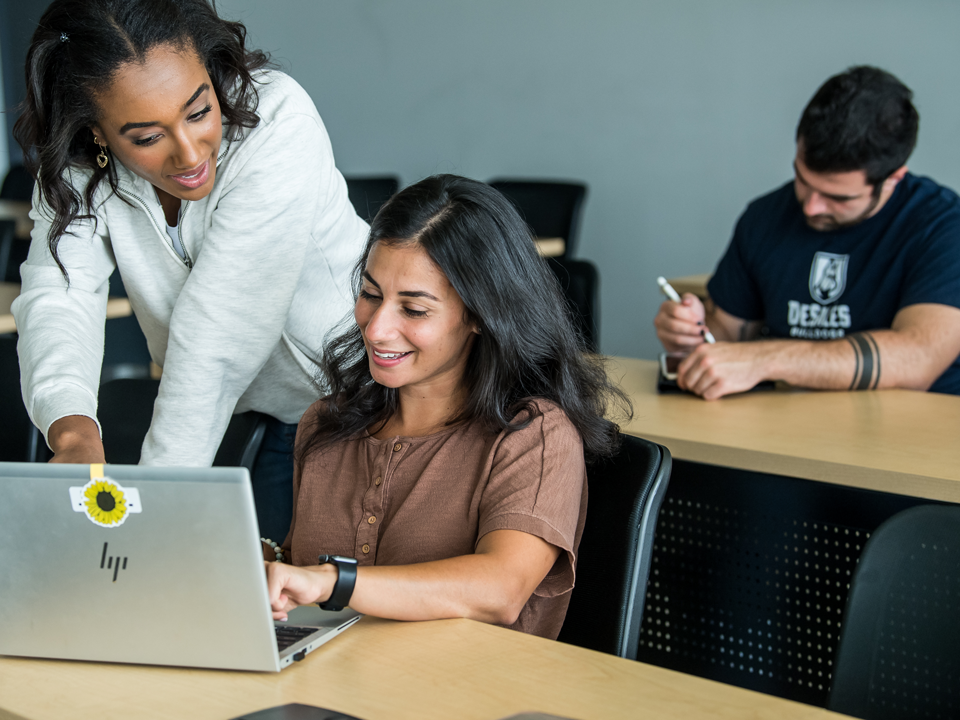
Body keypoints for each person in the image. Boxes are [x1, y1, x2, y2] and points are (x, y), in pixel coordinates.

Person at [11, 0, 368, 539]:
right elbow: (58, 295)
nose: (189, 153)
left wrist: (153, 508)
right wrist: (74, 433)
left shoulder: (276, 119)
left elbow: (217, 333)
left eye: (199, 112)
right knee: (267, 598)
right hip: (264, 415)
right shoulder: (79, 171)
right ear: (98, 133)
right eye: (147, 137)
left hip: (375, 400)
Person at [262, 175, 630, 639]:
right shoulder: (328, 422)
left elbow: (500, 590)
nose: (375, 329)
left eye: (414, 310)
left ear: (480, 314)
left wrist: (331, 582)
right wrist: (265, 564)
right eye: (371, 295)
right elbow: (300, 570)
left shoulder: (534, 435)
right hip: (332, 689)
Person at [654, 66, 960, 399]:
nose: (811, 207)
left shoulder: (943, 227)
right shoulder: (765, 216)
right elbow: (728, 333)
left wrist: (766, 359)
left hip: (911, 432)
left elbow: (917, 359)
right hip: (780, 423)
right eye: (802, 179)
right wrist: (691, 333)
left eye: (838, 197)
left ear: (893, 179)